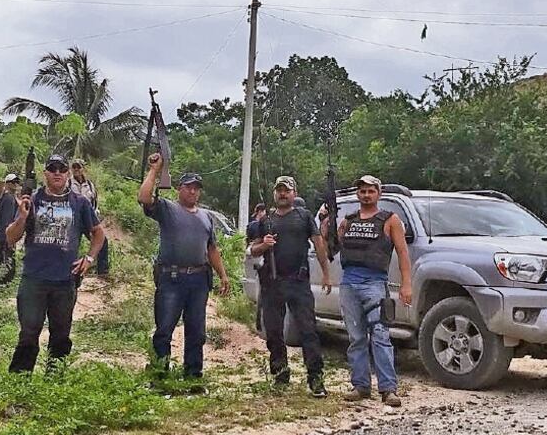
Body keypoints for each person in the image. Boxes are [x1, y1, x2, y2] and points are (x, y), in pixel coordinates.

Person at [5, 154, 106, 374]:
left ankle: (55, 379)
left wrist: (89, 258)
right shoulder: (32, 200)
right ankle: (19, 380)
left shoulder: (80, 203)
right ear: (45, 174)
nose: (57, 172)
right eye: (52, 168)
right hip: (34, 280)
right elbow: (10, 238)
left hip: (65, 280)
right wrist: (22, 217)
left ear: (68, 173)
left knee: (61, 334)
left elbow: (98, 234)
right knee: (29, 332)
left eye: (62, 168)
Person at [138, 153, 230, 383]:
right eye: (189, 187)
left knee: (196, 332)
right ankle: (160, 375)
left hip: (198, 280)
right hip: (172, 278)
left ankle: (193, 376)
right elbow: (144, 197)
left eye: (197, 188)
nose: (193, 192)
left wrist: (223, 275)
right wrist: (154, 171)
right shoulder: (168, 209)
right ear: (180, 188)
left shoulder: (206, 217)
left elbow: (212, 249)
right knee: (164, 329)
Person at [325, 175, 413, 406]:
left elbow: (403, 253)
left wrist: (406, 284)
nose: (366, 195)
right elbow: (331, 249)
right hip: (349, 283)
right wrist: (326, 224)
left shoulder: (390, 219)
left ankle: (388, 389)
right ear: (358, 194)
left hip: (375, 283)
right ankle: (360, 385)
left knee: (381, 336)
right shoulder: (348, 220)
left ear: (379, 193)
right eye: (362, 191)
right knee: (355, 338)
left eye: (370, 191)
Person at [250, 176, 332, 398]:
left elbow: (318, 244)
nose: (283, 194)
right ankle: (280, 376)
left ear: (294, 193)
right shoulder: (265, 220)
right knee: (274, 333)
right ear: (274, 194)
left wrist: (326, 273)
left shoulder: (304, 217)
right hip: (272, 283)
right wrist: (262, 245)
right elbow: (251, 251)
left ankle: (316, 379)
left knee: (308, 331)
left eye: (287, 190)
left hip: (298, 282)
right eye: (279, 190)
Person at [69, 158, 110, 276]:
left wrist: (95, 216)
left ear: (83, 169)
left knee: (102, 242)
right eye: (74, 167)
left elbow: (94, 202)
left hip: (88, 219)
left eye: (79, 167)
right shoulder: (69, 184)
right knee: (70, 244)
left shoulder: (90, 185)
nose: (76, 170)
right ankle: (71, 270)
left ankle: (102, 272)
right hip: (73, 219)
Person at [0, 173, 20, 286]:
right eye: (13, 182)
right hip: (6, 235)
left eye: (17, 182)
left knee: (1, 259)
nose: (16, 184)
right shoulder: (9, 198)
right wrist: (10, 237)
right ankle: (4, 283)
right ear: (7, 184)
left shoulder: (4, 196)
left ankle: (1, 283)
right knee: (6, 259)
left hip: (0, 233)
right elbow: (7, 220)